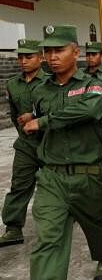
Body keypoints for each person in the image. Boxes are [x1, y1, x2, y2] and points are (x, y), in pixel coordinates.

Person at [17, 24, 102, 280]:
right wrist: (32, 123)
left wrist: (42, 121)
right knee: (48, 238)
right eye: (47, 51)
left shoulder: (94, 85)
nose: (52, 56)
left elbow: (86, 111)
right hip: (52, 177)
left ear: (76, 52)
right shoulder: (40, 89)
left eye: (59, 50)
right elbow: (29, 125)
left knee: (98, 226)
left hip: (88, 173)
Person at [0, 39, 46, 248]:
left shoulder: (51, 81)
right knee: (19, 185)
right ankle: (13, 228)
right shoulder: (12, 84)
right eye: (21, 57)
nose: (24, 61)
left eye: (29, 56)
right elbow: (14, 114)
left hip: (49, 143)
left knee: (55, 185)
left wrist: (35, 116)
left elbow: (59, 110)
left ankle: (63, 218)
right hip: (26, 145)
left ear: (40, 57)